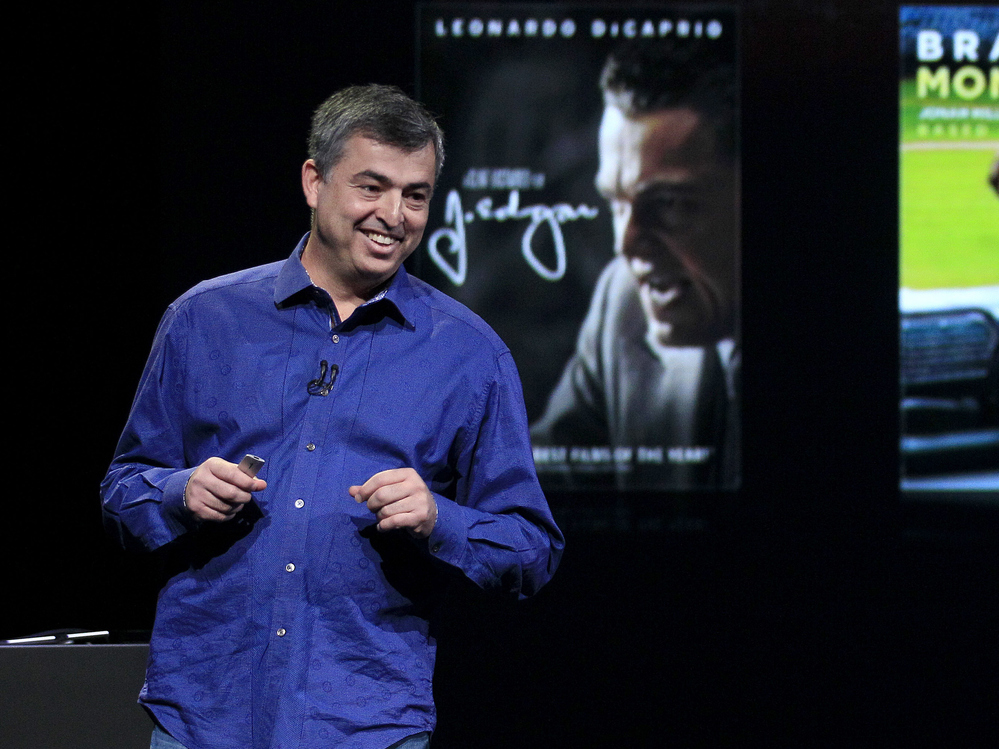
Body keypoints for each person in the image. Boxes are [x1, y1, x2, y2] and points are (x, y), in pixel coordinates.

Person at [101, 84, 563, 749]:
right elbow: (120, 492)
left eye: (415, 194)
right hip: (205, 716)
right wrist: (179, 490)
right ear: (313, 181)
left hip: (366, 722)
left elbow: (531, 548)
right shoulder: (204, 319)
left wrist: (441, 517)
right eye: (371, 187)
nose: (393, 214)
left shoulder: (469, 355)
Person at [531, 38, 740, 490]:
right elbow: (536, 492)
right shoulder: (622, 303)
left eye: (667, 205)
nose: (626, 246)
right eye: (617, 204)